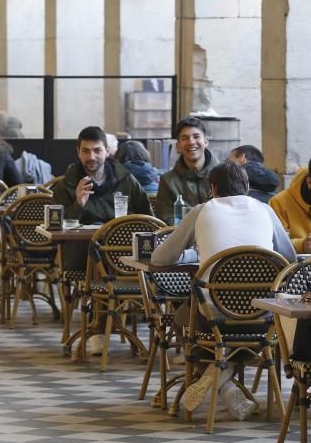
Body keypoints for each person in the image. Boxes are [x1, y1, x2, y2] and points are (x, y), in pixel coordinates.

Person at [151, 161, 295, 420]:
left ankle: (220, 377)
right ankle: (226, 378)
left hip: (213, 321)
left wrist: (194, 253)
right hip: (263, 319)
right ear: (247, 187)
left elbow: (160, 259)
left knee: (183, 317)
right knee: (224, 326)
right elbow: (289, 258)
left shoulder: (201, 211)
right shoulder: (265, 209)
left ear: (213, 189)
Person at [51, 125, 154, 355]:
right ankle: (98, 329)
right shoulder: (68, 183)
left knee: (106, 257)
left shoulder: (126, 180)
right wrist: (77, 204)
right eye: (86, 151)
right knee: (97, 254)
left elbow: (148, 218)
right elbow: (54, 225)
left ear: (107, 151)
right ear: (78, 152)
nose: (91, 157)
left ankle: (103, 327)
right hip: (81, 257)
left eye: (97, 150)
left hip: (123, 256)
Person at [154, 116, 222, 225]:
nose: (191, 142)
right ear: (178, 146)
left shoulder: (224, 176)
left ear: (206, 141)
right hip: (183, 239)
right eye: (185, 138)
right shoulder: (167, 180)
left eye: (196, 136)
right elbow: (165, 219)